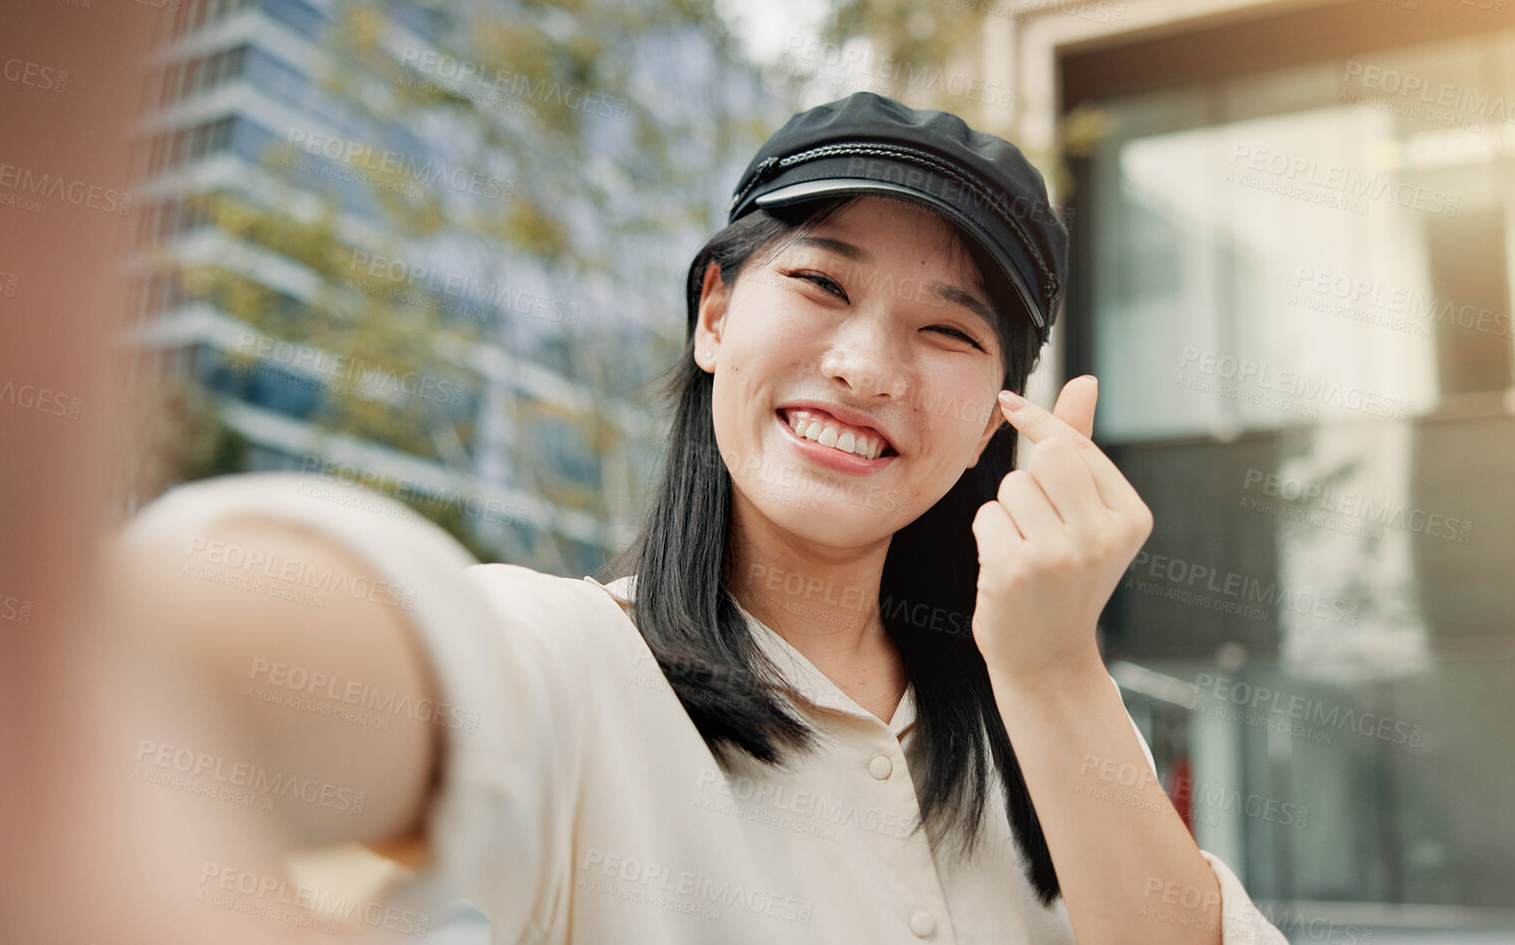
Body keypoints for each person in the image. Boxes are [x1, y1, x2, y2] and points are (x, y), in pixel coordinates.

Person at [106, 91, 1286, 943]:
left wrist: (1056, 669)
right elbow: (274, 678)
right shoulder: (562, 662)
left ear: (994, 421)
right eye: (821, 284)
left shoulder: (1055, 719)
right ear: (715, 313)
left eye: (949, 331)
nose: (868, 366)